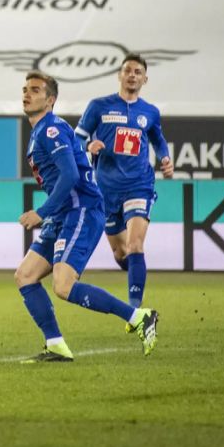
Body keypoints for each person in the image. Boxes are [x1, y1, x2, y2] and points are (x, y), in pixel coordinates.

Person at [14, 71, 159, 362]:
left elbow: (69, 174)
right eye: (25, 89)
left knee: (63, 286)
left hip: (81, 210)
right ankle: (55, 345)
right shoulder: (42, 130)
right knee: (26, 276)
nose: (26, 94)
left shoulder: (50, 129)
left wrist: (41, 212)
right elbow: (74, 158)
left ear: (50, 100)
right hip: (65, 213)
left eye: (35, 90)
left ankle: (138, 317)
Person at [74, 54, 173, 312]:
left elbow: (158, 140)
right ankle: (137, 276)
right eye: (127, 70)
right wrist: (88, 145)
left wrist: (165, 157)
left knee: (135, 244)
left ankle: (135, 310)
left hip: (139, 184)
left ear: (145, 79)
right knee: (121, 253)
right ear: (119, 75)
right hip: (106, 189)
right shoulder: (98, 106)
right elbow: (75, 138)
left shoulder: (149, 112)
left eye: (137, 72)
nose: (132, 75)